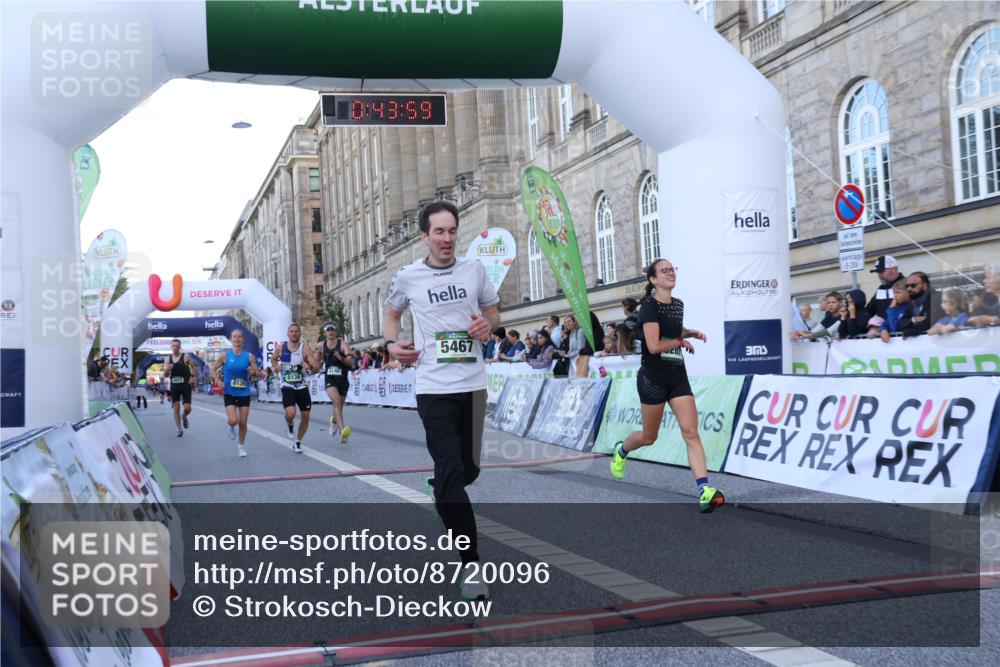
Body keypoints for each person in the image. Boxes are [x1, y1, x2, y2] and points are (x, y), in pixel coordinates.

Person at [383, 200, 499, 602]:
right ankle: (472, 566)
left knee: (468, 472)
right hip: (433, 387)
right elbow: (392, 315)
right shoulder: (408, 277)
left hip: (472, 385)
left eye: (452, 231)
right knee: (451, 476)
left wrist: (487, 325)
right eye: (439, 232)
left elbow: (493, 312)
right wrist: (391, 344)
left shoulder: (474, 270)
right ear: (424, 237)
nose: (447, 238)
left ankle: (442, 489)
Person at [610, 259, 724, 513]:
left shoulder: (678, 304)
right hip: (653, 379)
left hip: (677, 376)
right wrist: (679, 342)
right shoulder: (649, 306)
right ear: (653, 279)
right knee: (649, 437)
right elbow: (653, 346)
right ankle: (622, 449)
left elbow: (671, 329)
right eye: (665, 270)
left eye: (672, 269)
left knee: (691, 432)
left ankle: (705, 491)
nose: (671, 273)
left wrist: (688, 333)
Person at [211, 329, 260, 458]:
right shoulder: (225, 356)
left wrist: (254, 373)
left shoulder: (249, 356)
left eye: (240, 337)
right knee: (234, 420)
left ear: (243, 340)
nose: (237, 339)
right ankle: (230, 426)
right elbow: (212, 369)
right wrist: (218, 381)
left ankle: (241, 447)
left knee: (243, 422)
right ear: (231, 339)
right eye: (235, 337)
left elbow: (256, 373)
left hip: (244, 392)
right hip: (229, 392)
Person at [271, 322, 319, 454]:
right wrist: (276, 366)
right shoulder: (281, 348)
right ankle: (289, 424)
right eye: (291, 331)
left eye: (296, 331)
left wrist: (309, 366)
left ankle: (297, 441)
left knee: (305, 416)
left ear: (300, 333)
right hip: (287, 385)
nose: (294, 333)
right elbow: (273, 359)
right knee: (291, 413)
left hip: (302, 386)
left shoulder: (305, 348)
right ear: (288, 334)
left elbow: (316, 367)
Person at [320, 322, 354, 444]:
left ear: (335, 331)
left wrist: (342, 358)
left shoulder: (343, 344)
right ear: (325, 333)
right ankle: (342, 431)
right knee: (337, 401)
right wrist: (311, 367)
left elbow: (351, 363)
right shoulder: (321, 346)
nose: (330, 332)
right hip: (330, 379)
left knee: (339, 406)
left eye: (332, 329)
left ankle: (334, 420)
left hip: (343, 379)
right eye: (328, 330)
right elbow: (315, 361)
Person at [163, 339, 196, 437]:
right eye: (173, 346)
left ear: (180, 347)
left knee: (187, 408)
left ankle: (184, 415)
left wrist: (192, 377)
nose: (175, 347)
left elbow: (194, 367)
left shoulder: (185, 357)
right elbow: (165, 375)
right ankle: (179, 429)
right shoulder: (167, 359)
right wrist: (167, 369)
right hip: (175, 387)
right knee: (176, 408)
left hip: (186, 386)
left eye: (177, 346)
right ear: (171, 347)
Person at [866, 255, 904, 320]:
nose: (879, 276)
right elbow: (869, 311)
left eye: (882, 272)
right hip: (882, 326)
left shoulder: (906, 285)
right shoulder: (881, 288)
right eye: (878, 273)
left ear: (893, 270)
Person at [900, 271, 933, 337]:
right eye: (907, 286)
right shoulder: (912, 302)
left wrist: (910, 330)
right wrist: (913, 319)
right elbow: (900, 323)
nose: (909, 289)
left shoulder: (935, 298)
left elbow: (931, 321)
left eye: (913, 285)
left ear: (925, 285)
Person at [968, 263, 1000, 328]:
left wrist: (994, 319)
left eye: (988, 278)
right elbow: (972, 318)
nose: (984, 281)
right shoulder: (987, 300)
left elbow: (992, 319)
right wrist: (976, 319)